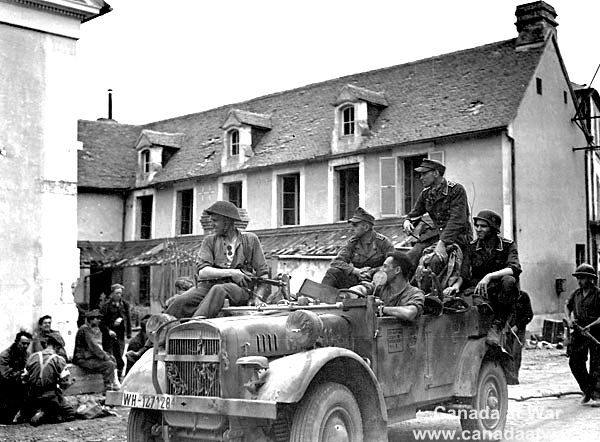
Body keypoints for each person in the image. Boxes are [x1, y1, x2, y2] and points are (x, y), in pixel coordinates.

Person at [165, 200, 270, 319]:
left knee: (219, 289)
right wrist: (232, 272)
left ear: (227, 222)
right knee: (181, 300)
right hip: (208, 286)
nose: (212, 224)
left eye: (215, 220)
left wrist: (258, 298)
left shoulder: (250, 240)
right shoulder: (209, 241)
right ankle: (159, 331)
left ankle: (195, 325)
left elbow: (263, 275)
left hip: (240, 290)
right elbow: (203, 272)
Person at [444, 210, 521, 346]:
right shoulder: (472, 247)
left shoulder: (507, 245)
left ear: (493, 228)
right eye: (477, 226)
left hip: (501, 289)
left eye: (483, 226)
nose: (478, 229)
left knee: (509, 280)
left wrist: (489, 276)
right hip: (481, 288)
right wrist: (455, 286)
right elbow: (464, 274)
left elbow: (514, 268)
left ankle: (498, 325)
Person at [402, 159, 472, 274]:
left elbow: (457, 221)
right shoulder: (426, 194)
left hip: (457, 237)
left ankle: (429, 291)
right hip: (435, 236)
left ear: (436, 173)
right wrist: (407, 221)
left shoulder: (455, 190)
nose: (421, 177)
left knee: (434, 261)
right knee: (409, 258)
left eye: (424, 174)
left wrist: (443, 242)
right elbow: (414, 214)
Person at [321, 207, 395, 289]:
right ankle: (322, 298)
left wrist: (373, 271)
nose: (352, 228)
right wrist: (355, 271)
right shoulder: (352, 243)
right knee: (333, 272)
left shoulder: (382, 242)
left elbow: (394, 263)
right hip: (357, 280)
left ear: (366, 227)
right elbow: (336, 262)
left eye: (355, 225)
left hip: (377, 281)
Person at [564, 263, 600, 406]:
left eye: (583, 278)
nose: (579, 281)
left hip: (596, 332)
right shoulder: (576, 294)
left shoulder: (598, 294)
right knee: (575, 361)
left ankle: (597, 395)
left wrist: (590, 326)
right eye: (578, 278)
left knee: (596, 364)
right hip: (579, 331)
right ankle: (588, 390)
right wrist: (569, 318)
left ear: (591, 279)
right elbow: (567, 305)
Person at [352, 252, 425, 322]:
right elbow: (363, 288)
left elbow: (409, 313)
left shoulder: (415, 293)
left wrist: (381, 309)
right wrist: (355, 292)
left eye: (385, 266)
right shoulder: (380, 286)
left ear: (397, 270)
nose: (381, 270)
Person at [21, 332, 75, 426]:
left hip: (32, 395)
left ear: (47, 344)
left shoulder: (32, 356)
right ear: (57, 346)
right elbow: (64, 382)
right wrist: (70, 383)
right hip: (49, 396)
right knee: (69, 414)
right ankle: (46, 414)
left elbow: (24, 378)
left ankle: (33, 412)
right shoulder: (59, 360)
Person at [72, 310, 118, 392]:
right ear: (91, 320)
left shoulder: (88, 329)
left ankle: (114, 383)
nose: (99, 320)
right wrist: (105, 357)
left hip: (87, 358)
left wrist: (107, 355)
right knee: (109, 365)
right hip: (83, 360)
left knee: (112, 359)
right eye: (97, 318)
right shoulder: (85, 329)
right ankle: (108, 389)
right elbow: (94, 347)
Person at [100, 283, 131, 380]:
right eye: (117, 293)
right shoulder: (106, 306)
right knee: (110, 356)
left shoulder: (124, 304)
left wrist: (128, 332)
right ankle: (111, 379)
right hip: (109, 336)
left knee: (120, 357)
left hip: (120, 335)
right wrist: (108, 331)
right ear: (112, 294)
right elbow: (101, 322)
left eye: (120, 293)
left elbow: (128, 319)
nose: (119, 295)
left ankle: (119, 377)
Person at [0, 331, 32, 423]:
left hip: (21, 386)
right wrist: (22, 374)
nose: (25, 346)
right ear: (16, 342)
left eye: (27, 344)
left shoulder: (27, 355)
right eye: (23, 343)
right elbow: (6, 375)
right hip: (7, 388)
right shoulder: (5, 355)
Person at [506, 290, 533, 383]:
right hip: (506, 330)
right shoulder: (504, 295)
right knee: (506, 353)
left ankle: (514, 377)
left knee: (516, 352)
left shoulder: (523, 296)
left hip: (519, 330)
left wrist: (518, 326)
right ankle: (508, 377)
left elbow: (529, 315)